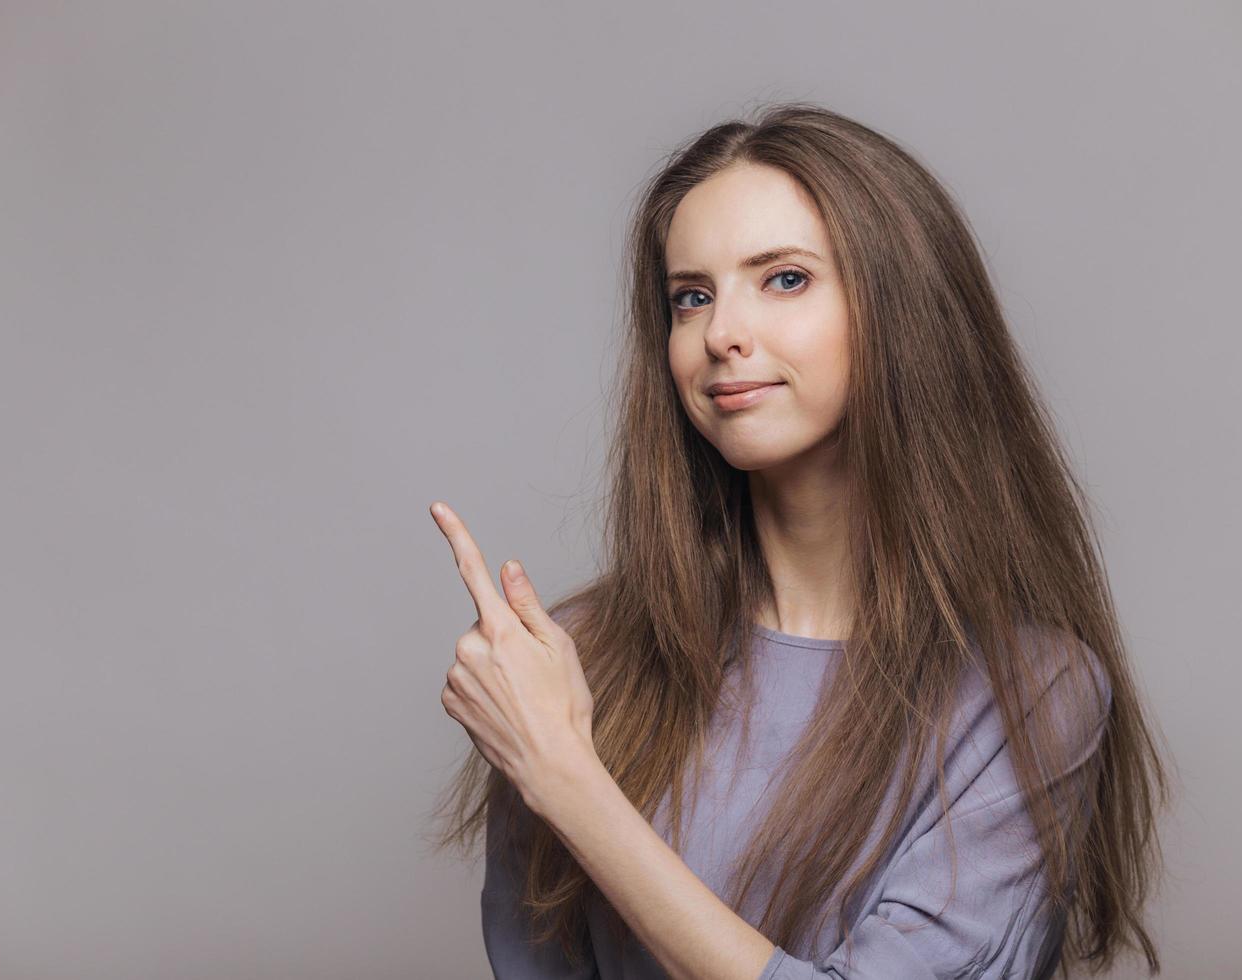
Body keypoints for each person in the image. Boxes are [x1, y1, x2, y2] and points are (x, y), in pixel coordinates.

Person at [425, 101, 1171, 979]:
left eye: (783, 279)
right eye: (691, 297)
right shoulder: (579, 659)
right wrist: (544, 749)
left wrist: (567, 779)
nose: (720, 335)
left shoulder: (1029, 694)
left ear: (902, 311)